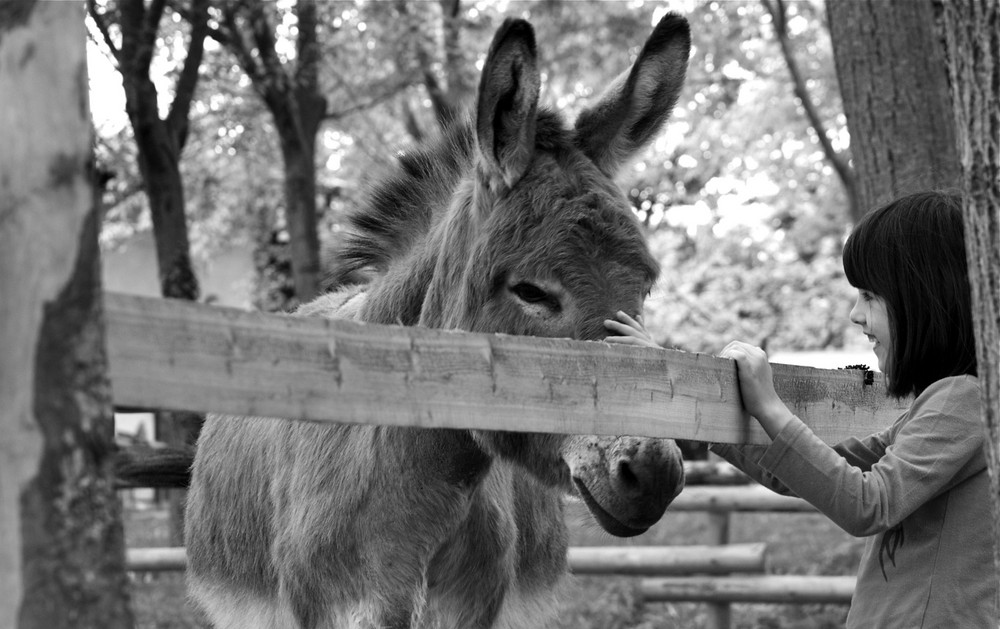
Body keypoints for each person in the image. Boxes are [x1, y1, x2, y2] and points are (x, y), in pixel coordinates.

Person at [605, 190, 995, 628]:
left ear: (922, 298)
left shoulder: (966, 399)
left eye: (869, 296)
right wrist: (672, 376)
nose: (854, 315)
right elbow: (795, 472)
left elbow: (868, 504)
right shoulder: (936, 406)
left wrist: (770, 405)